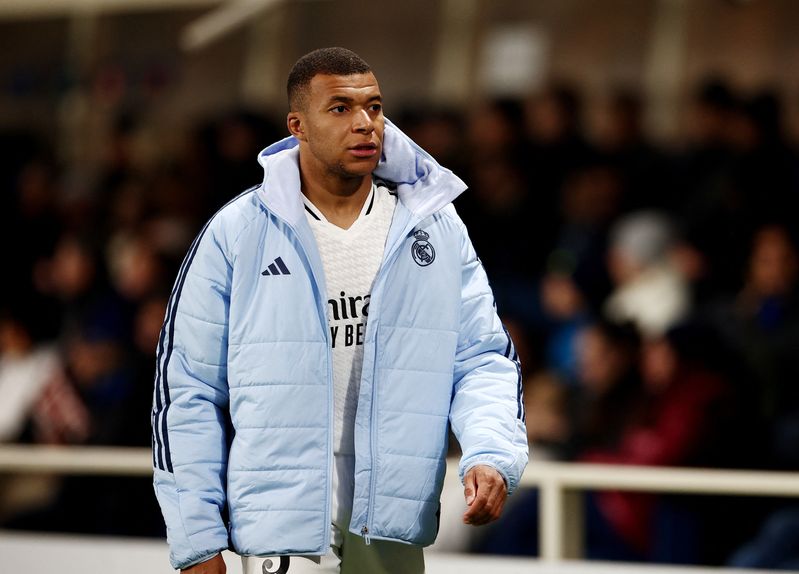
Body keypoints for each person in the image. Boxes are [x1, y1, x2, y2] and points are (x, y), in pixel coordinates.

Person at [151, 47, 528, 574]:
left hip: (393, 523)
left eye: (374, 107)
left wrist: (491, 452)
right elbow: (187, 391)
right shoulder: (237, 234)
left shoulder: (434, 229)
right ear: (297, 126)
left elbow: (483, 358)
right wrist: (197, 537)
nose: (365, 124)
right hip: (285, 529)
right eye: (340, 108)